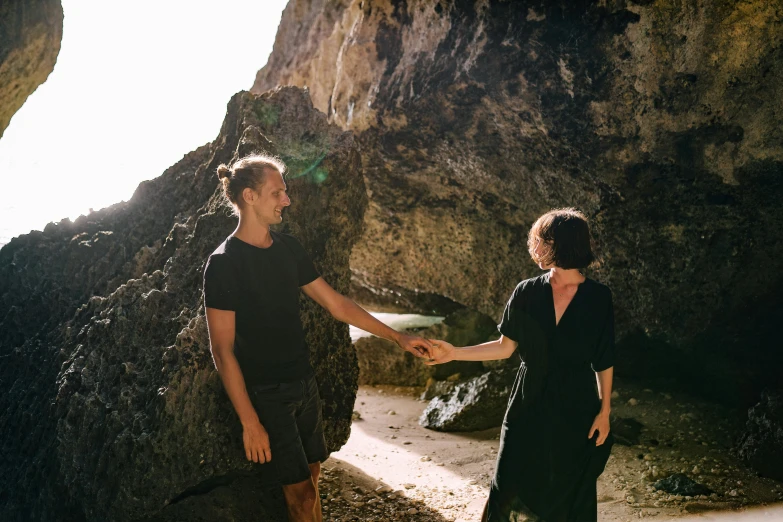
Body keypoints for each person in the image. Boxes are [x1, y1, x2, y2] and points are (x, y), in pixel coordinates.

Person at [202, 153, 432, 522]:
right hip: (267, 394)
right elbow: (222, 350)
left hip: (305, 384)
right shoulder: (224, 263)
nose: (287, 201)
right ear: (249, 196)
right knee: (301, 496)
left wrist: (397, 338)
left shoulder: (289, 247)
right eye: (277, 193)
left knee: (312, 479)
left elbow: (337, 304)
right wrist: (249, 421)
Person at [427, 208, 615, 522]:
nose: (535, 247)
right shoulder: (526, 291)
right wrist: (453, 352)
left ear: (562, 244)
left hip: (576, 403)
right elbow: (504, 348)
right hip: (527, 401)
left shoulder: (598, 297)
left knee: (567, 486)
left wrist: (605, 411)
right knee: (507, 481)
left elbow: (604, 359)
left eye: (542, 241)